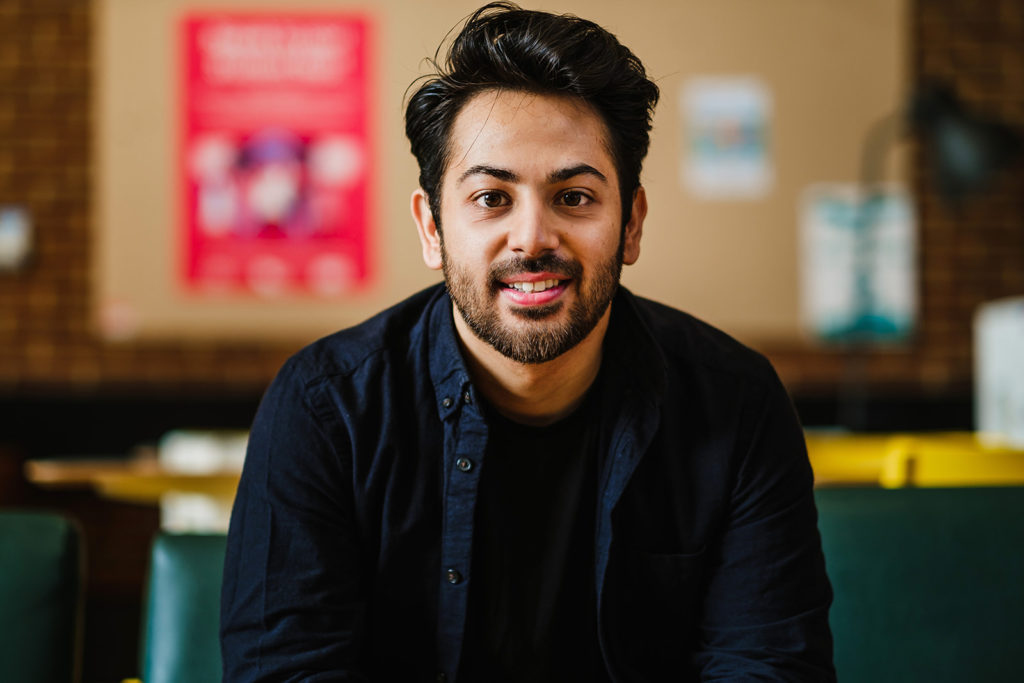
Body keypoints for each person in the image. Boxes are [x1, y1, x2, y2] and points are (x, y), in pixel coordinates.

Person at [220, 3, 835, 681]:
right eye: (491, 198)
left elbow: (770, 668)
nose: (533, 238)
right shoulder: (325, 409)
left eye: (574, 197)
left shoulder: (736, 405)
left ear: (631, 224)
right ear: (432, 228)